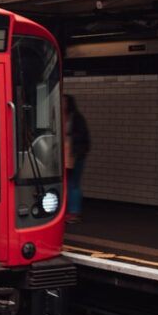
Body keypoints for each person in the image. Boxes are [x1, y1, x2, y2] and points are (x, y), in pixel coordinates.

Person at [64, 94, 90, 224]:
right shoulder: (66, 116)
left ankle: (74, 212)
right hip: (67, 154)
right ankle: (68, 211)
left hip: (75, 155)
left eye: (64, 102)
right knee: (68, 183)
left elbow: (82, 138)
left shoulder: (76, 118)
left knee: (73, 183)